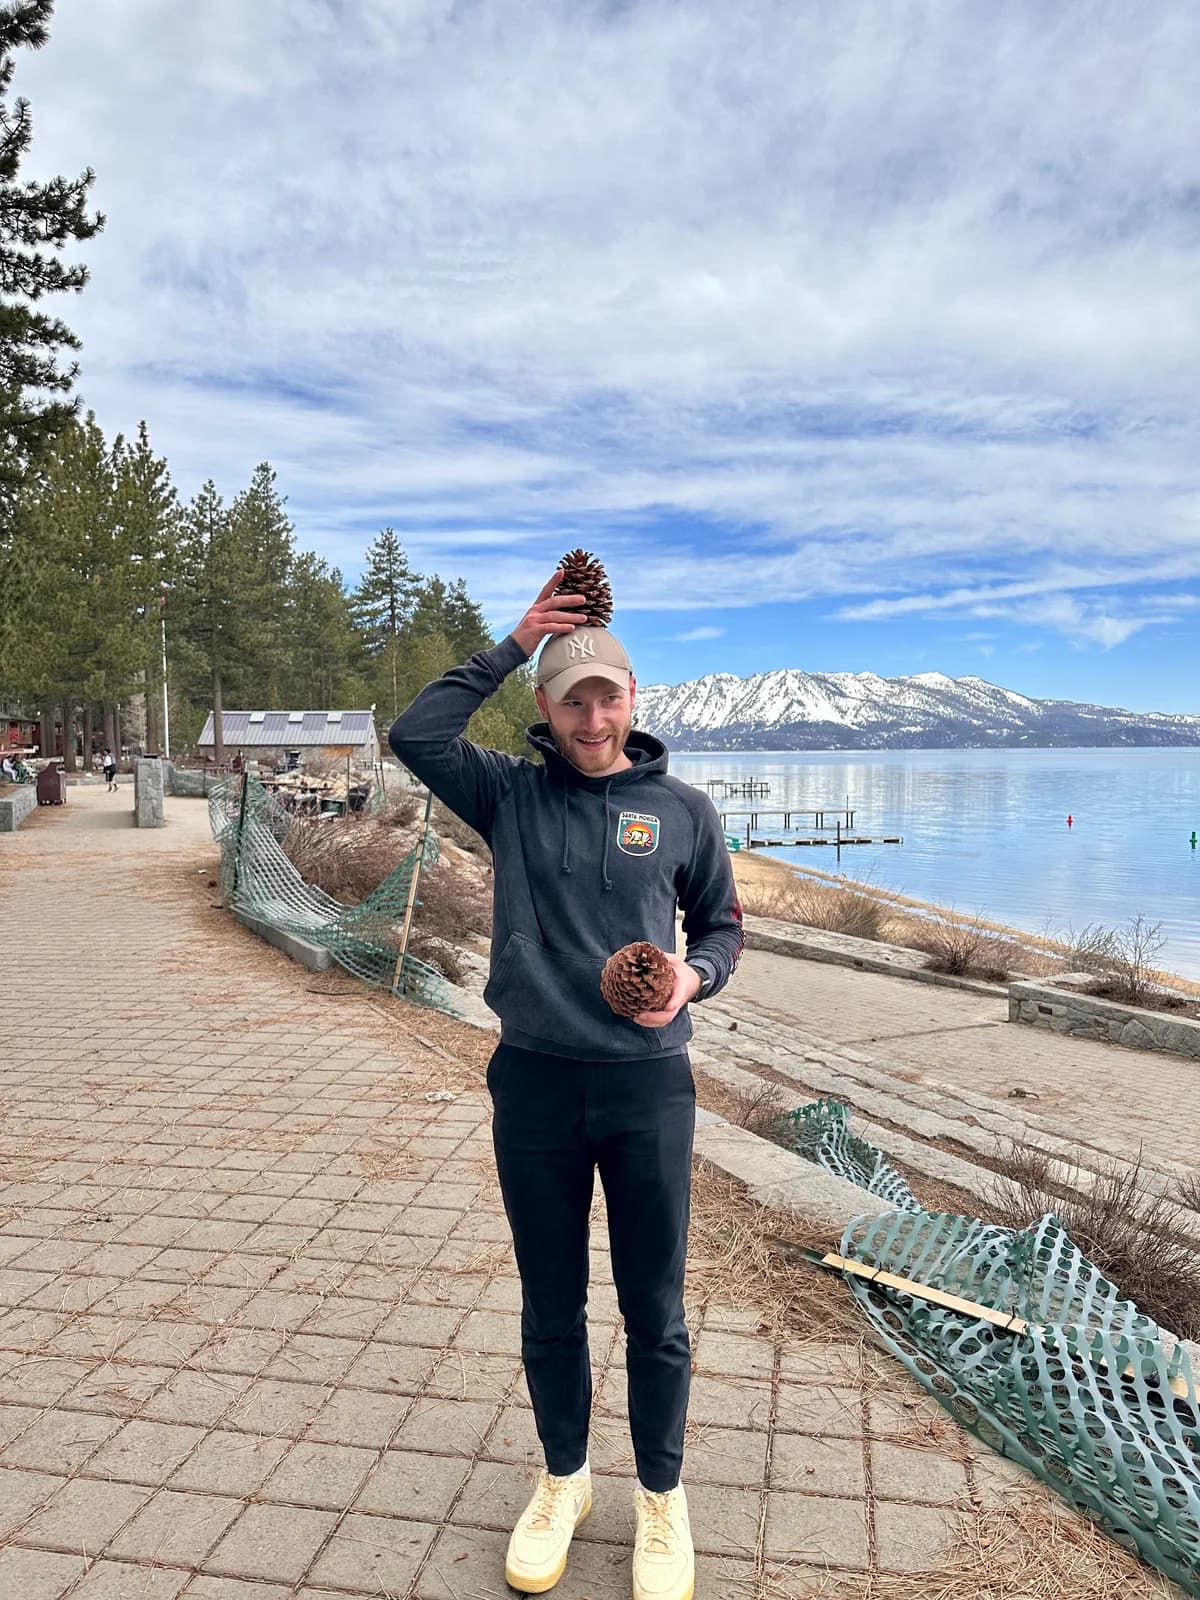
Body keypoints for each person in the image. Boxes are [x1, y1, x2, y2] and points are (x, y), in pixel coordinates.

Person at [390, 571, 743, 1600]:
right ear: (543, 709)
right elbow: (415, 734)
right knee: (552, 1302)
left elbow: (721, 928)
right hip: (536, 1081)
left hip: (649, 1086)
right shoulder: (508, 793)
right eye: (571, 698)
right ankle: (565, 1478)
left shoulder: (682, 811)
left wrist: (692, 976)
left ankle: (663, 1500)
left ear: (635, 701)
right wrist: (512, 641)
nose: (593, 716)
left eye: (609, 696)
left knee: (656, 1306)